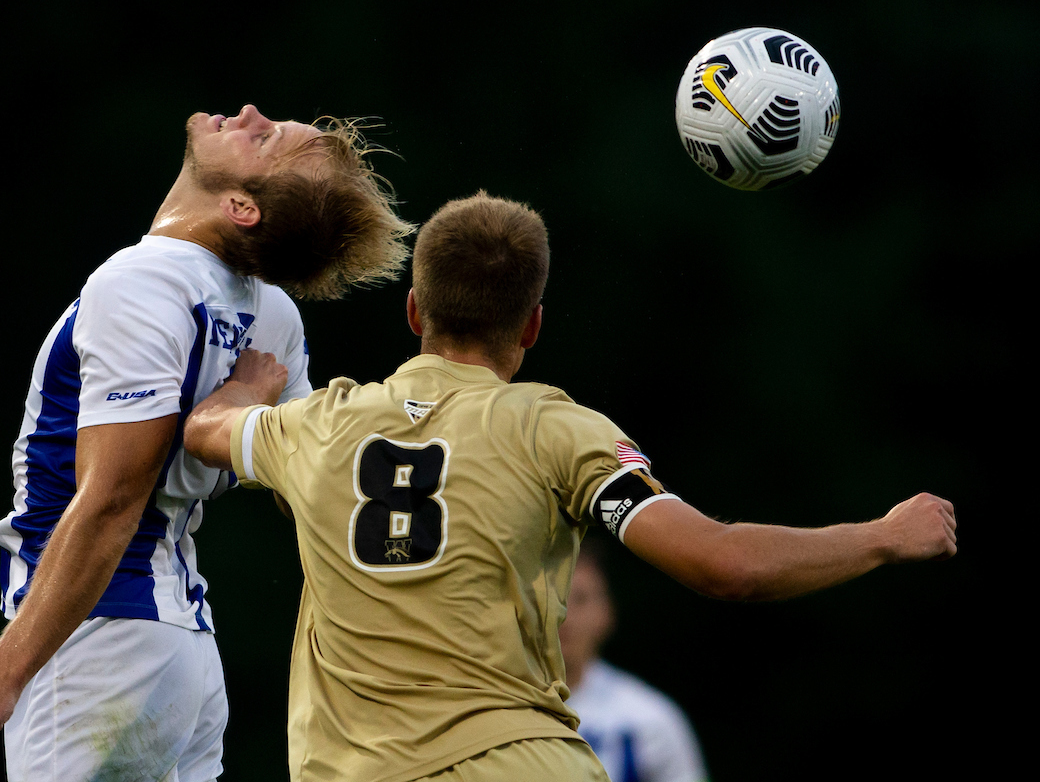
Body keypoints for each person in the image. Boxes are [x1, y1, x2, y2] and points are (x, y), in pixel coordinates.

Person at [181, 191, 957, 782]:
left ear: (415, 310)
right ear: (531, 326)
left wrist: (248, 389)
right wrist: (883, 537)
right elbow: (724, 564)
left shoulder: (318, 425)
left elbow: (207, 428)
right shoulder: (557, 431)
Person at [0, 104, 414, 779]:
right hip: (183, 652)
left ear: (241, 207)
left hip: (101, 646)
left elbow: (114, 497)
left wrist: (1, 675)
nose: (249, 113)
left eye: (263, 138)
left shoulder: (142, 282)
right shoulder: (273, 316)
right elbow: (315, 485)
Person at [560, 539, 709, 782]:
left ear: (606, 613)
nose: (564, 615)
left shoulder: (649, 719)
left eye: (580, 599)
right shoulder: (499, 705)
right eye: (553, 599)